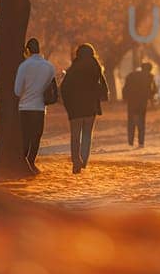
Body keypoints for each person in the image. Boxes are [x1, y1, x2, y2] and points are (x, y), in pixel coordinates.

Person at [60, 43, 107, 172]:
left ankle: (76, 161)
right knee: (87, 134)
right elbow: (104, 88)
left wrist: (68, 104)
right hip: (90, 107)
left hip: (75, 108)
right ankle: (84, 161)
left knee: (75, 136)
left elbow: (63, 88)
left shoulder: (73, 69)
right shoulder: (96, 67)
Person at [13, 37, 55, 174]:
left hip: (24, 107)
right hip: (40, 108)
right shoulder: (48, 66)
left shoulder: (24, 66)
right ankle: (31, 162)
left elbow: (17, 90)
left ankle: (23, 162)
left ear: (27, 50)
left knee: (25, 136)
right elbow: (52, 88)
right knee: (36, 136)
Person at [122, 61, 156, 148]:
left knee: (131, 122)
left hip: (132, 102)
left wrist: (125, 98)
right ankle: (141, 143)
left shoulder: (131, 75)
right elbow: (153, 89)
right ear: (150, 69)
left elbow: (125, 88)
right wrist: (151, 98)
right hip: (142, 102)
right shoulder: (150, 76)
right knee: (141, 122)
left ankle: (130, 142)